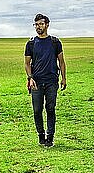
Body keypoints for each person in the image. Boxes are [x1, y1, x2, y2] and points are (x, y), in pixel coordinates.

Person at [24, 13, 67, 147]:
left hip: (51, 81)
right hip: (36, 82)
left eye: (41, 24)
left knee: (50, 108)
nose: (38, 27)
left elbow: (61, 61)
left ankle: (50, 137)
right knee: (37, 110)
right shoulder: (31, 43)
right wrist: (30, 78)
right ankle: (41, 135)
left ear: (47, 25)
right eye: (36, 24)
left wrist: (64, 78)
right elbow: (26, 63)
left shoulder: (55, 42)